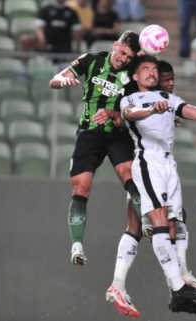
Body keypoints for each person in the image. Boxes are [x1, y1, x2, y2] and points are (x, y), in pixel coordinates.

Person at [119, 55, 196, 314]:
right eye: (145, 69)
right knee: (159, 221)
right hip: (148, 161)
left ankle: (179, 290)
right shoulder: (131, 99)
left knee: (176, 224)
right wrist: (151, 109)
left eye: (154, 69)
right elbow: (130, 114)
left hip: (169, 164)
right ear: (135, 76)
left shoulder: (170, 100)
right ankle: (177, 283)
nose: (151, 73)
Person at [49, 31, 144, 269]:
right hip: (89, 134)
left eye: (129, 56)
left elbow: (138, 107)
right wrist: (64, 80)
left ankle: (149, 222)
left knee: (130, 178)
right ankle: (77, 244)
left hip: (118, 135)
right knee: (81, 188)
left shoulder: (133, 75)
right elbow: (55, 80)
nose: (124, 59)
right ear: (115, 45)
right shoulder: (91, 60)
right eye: (122, 52)